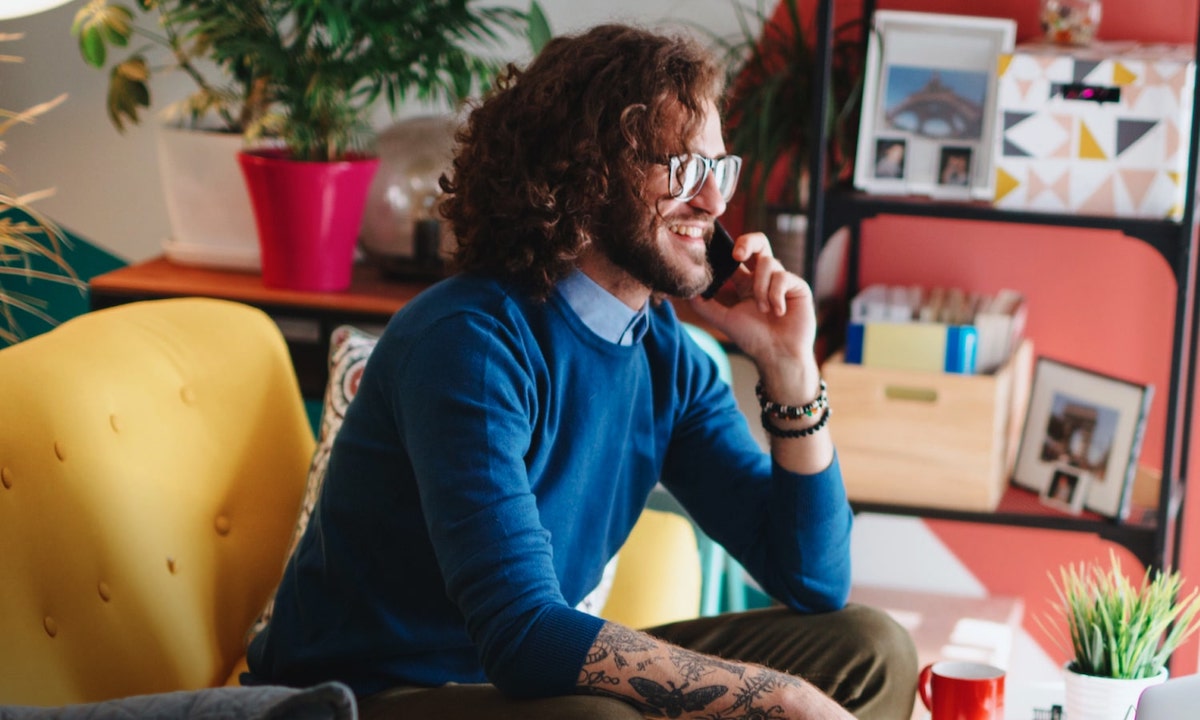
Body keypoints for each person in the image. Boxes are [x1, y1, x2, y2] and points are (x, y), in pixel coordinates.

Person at [245, 23, 918, 720]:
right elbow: (523, 634)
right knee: (592, 718)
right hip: (360, 695)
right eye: (684, 169)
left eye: (720, 168)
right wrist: (777, 696)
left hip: (502, 686)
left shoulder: (664, 354)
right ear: (588, 175)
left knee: (869, 648)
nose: (716, 203)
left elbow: (813, 580)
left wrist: (789, 368)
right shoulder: (469, 343)